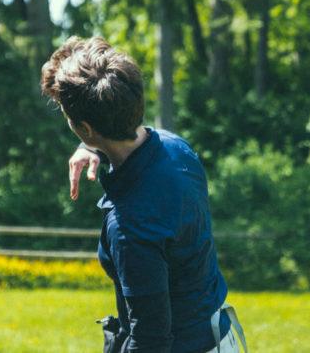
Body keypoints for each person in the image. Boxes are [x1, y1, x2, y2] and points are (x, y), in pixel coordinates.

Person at [40, 36, 247, 353]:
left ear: (84, 126)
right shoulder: (176, 148)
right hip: (221, 337)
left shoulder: (130, 225)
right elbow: (135, 154)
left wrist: (92, 142)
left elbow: (150, 339)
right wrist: (93, 145)